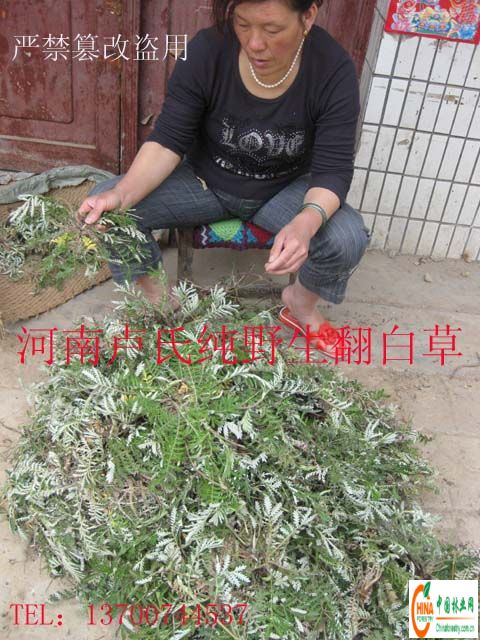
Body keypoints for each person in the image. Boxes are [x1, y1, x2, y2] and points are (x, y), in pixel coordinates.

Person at [77, 0, 371, 356]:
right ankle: (160, 301)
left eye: (272, 29)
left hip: (282, 191)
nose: (255, 43)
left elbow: (333, 169)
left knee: (346, 237)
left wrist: (306, 222)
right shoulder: (207, 51)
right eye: (243, 24)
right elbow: (168, 141)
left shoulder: (332, 69)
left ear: (307, 16)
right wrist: (121, 195)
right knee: (109, 210)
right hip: (205, 182)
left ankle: (300, 304)